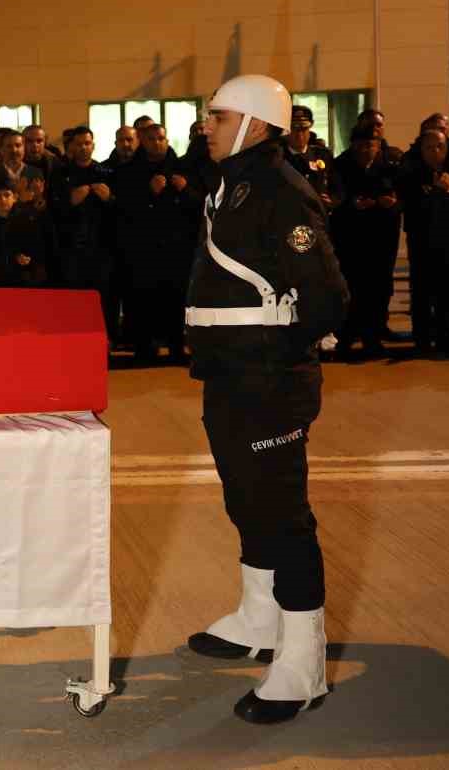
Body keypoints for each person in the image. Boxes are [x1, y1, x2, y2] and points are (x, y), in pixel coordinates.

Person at [184, 74, 346, 725]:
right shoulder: (231, 185)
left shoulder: (281, 189)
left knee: (282, 514)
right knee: (245, 499)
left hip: (269, 382)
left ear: (253, 124)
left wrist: (276, 359)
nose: (207, 125)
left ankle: (304, 664)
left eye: (218, 116)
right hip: (229, 375)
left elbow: (327, 298)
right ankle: (259, 618)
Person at [115, 124, 199, 363]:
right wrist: (148, 192)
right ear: (142, 141)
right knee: (143, 300)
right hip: (143, 248)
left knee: (175, 298)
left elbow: (199, 205)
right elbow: (123, 208)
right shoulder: (130, 170)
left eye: (160, 138)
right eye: (151, 139)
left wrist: (184, 189)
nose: (156, 143)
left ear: (167, 139)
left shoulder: (183, 168)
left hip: (176, 247)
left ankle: (176, 346)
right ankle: (144, 347)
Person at [399, 130, 449, 358]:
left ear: (447, 148)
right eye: (429, 147)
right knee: (422, 293)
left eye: (439, 146)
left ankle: (445, 338)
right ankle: (422, 341)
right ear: (421, 150)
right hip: (422, 241)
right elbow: (412, 206)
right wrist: (435, 192)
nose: (435, 152)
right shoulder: (412, 173)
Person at [331, 127, 399, 360]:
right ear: (352, 146)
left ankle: (373, 339)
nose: (365, 150)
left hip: (380, 239)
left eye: (370, 145)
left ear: (378, 146)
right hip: (350, 239)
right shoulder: (340, 166)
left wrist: (391, 203)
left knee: (377, 291)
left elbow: (401, 196)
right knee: (350, 289)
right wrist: (352, 204)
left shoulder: (389, 167)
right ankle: (345, 339)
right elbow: (335, 197)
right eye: (360, 145)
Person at [50, 127, 118, 340]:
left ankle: (104, 339)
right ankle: (75, 339)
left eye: (87, 143)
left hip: (102, 247)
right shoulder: (60, 174)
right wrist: (70, 201)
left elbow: (122, 211)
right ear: (70, 146)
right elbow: (52, 210)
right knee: (74, 297)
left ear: (93, 145)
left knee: (104, 297)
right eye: (79, 144)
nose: (83, 148)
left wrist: (109, 199)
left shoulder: (106, 172)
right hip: (71, 248)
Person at [283, 105, 340, 212]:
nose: (299, 135)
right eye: (294, 129)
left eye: (304, 129)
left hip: (318, 214)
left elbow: (337, 185)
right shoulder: (279, 157)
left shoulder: (322, 155)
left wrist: (332, 200)